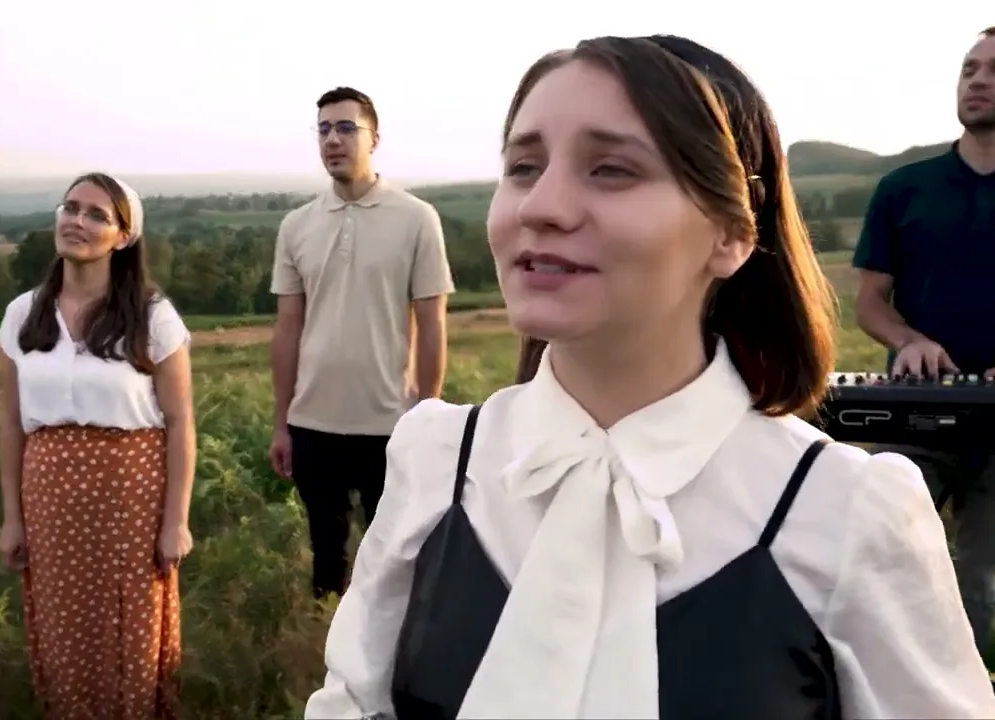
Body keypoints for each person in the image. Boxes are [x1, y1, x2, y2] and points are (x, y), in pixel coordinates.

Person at [307, 35, 995, 720]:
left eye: (610, 170)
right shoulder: (436, 460)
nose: (540, 206)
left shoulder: (844, 512)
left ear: (732, 233)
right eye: (523, 166)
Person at [0, 172, 195, 719]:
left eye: (96, 215)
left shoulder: (152, 315)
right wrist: (12, 518)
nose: (76, 221)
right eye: (70, 208)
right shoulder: (23, 314)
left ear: (123, 237)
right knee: (62, 622)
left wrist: (176, 521)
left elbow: (180, 423)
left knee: (129, 620)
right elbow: (11, 425)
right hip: (49, 496)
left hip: (131, 495)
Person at [269, 86, 457, 600]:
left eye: (346, 128)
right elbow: (287, 329)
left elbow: (433, 324)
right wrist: (281, 422)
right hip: (313, 424)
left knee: (392, 563)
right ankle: (323, 643)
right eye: (324, 130)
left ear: (374, 138)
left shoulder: (416, 218)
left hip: (389, 424)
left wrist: (427, 417)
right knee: (326, 561)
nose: (333, 139)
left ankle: (389, 650)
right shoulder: (296, 226)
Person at [853, 26, 995, 662]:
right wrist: (908, 339)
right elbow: (870, 302)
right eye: (969, 68)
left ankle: (968, 691)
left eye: (994, 70)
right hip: (917, 409)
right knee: (876, 551)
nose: (978, 80)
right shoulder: (904, 188)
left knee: (980, 582)